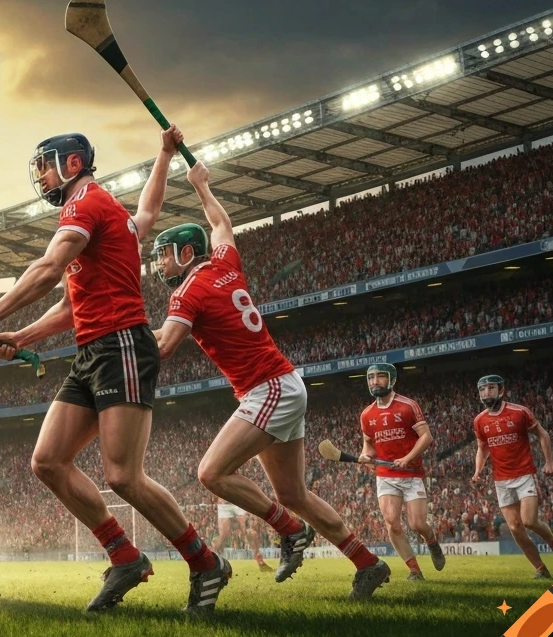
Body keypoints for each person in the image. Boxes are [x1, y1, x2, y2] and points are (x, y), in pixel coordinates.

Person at [0, 126, 230, 615]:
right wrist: (21, 337)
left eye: (45, 163)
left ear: (73, 164)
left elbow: (45, 270)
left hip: (123, 343)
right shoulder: (109, 214)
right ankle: (124, 556)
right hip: (92, 350)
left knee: (123, 476)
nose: (39, 174)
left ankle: (204, 560)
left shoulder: (84, 205)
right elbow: (74, 299)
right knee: (47, 461)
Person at [151, 162, 391, 600]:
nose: (160, 263)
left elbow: (164, 346)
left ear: (186, 254)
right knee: (293, 492)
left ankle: (290, 529)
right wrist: (201, 186)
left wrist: (119, 333)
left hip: (269, 388)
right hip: (282, 383)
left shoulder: (188, 291)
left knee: (211, 472)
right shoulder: (225, 262)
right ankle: (368, 563)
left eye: (164, 253)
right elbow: (220, 223)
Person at [471, 374, 553, 578]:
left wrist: (549, 461)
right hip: (501, 480)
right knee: (515, 527)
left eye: (490, 388)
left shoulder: (519, 412)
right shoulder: (480, 420)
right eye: (482, 389)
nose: (486, 393)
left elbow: (543, 434)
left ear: (501, 390)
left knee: (528, 521)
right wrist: (478, 471)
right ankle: (541, 569)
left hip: (524, 475)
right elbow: (482, 448)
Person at [357, 363, 444, 581]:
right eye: (371, 377)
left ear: (392, 379)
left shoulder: (408, 406)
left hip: (412, 473)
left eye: (380, 376)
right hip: (386, 476)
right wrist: (366, 456)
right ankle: (415, 571)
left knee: (417, 524)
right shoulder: (367, 414)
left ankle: (432, 541)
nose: (374, 381)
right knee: (392, 522)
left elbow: (426, 437)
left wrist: (408, 458)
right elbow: (368, 444)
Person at [213, 497, 272, 572]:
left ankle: (260, 561)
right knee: (224, 535)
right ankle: (214, 563)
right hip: (224, 502)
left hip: (238, 501)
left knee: (248, 530)